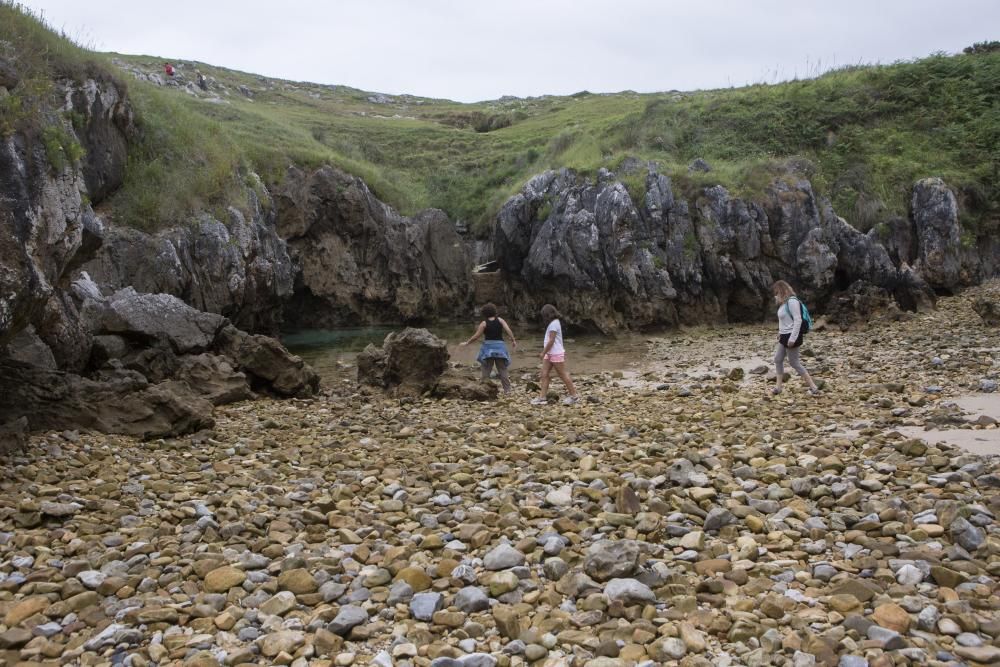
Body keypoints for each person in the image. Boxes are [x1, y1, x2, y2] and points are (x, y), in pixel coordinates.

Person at [771, 280, 821, 396]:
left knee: (794, 362)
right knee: (778, 359)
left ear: (781, 291)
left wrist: (792, 339)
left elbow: (798, 320)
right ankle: (778, 388)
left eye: (776, 292)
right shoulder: (783, 304)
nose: (775, 295)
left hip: (792, 336)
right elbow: (784, 321)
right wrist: (780, 333)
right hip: (784, 336)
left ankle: (813, 387)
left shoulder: (792, 302)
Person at [459, 303, 517, 394]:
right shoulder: (500, 320)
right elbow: (508, 330)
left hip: (488, 350)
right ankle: (507, 390)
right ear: (495, 311)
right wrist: (513, 340)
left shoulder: (484, 323)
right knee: (502, 369)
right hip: (500, 349)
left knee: (486, 369)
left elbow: (476, 336)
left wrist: (467, 343)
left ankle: (484, 388)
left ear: (484, 313)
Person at [532, 304, 580, 405]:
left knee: (562, 374)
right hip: (550, 353)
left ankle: (574, 396)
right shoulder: (553, 323)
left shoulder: (554, 324)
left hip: (556, 353)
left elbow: (552, 340)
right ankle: (542, 397)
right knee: (544, 374)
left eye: (544, 316)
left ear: (547, 315)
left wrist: (543, 352)